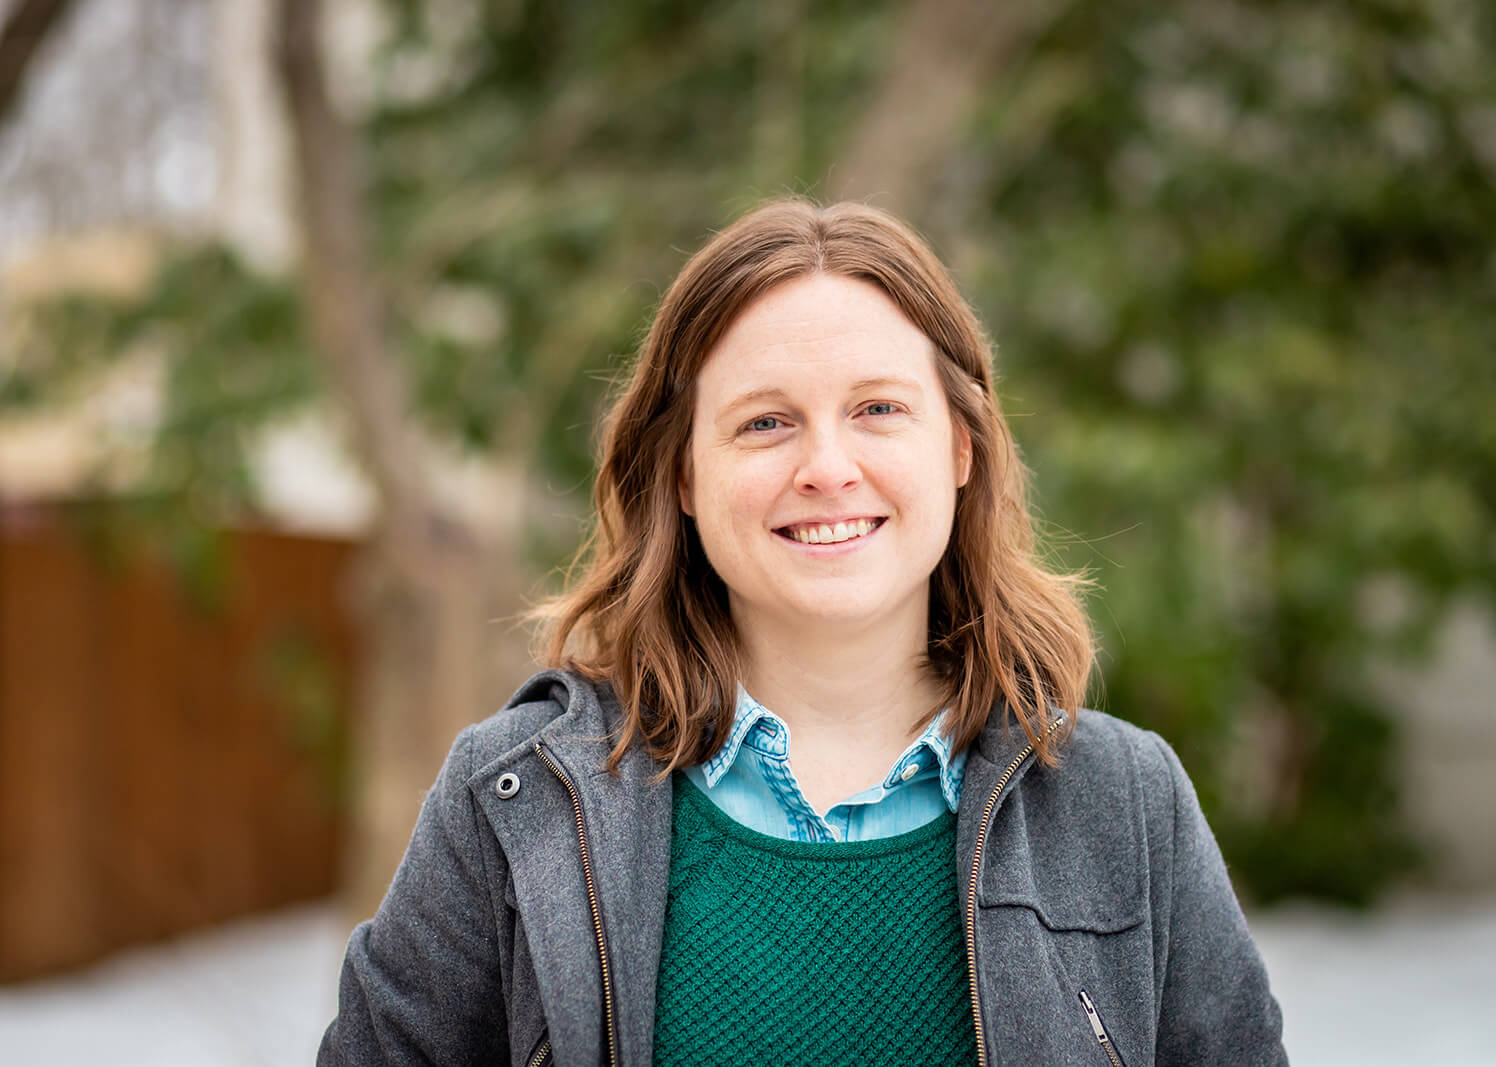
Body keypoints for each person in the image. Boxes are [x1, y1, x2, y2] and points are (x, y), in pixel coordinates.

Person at [318, 200, 1287, 1066]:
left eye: (877, 409)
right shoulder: (515, 798)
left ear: (959, 444)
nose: (828, 466)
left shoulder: (1124, 803)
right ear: (682, 478)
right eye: (766, 422)